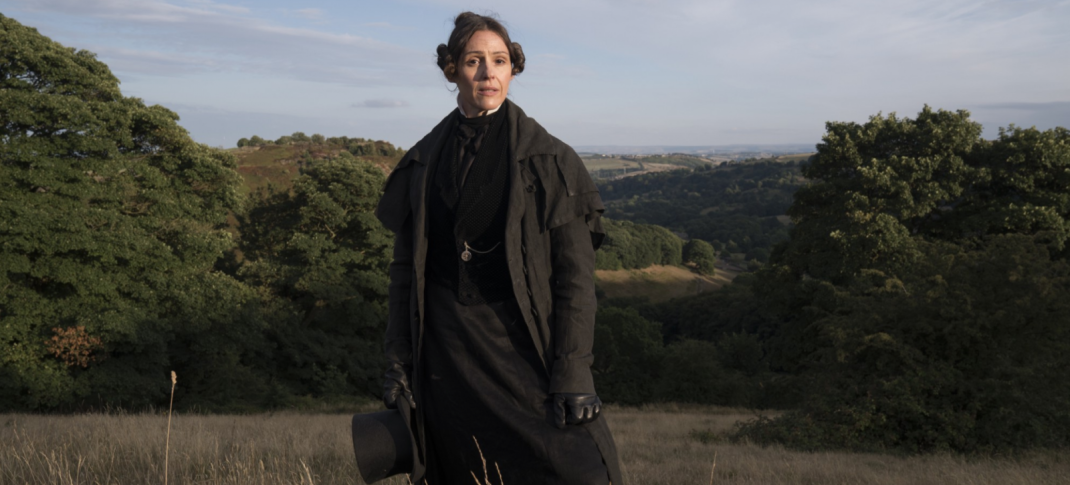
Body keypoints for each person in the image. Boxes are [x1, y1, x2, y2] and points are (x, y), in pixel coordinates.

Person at [374, 11, 624, 485]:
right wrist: (398, 361)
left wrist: (573, 372)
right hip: (446, 350)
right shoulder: (423, 161)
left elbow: (574, 279)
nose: (488, 73)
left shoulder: (551, 161)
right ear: (452, 70)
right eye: (474, 61)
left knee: (579, 469)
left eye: (500, 60)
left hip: (522, 343)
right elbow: (404, 272)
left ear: (513, 69)